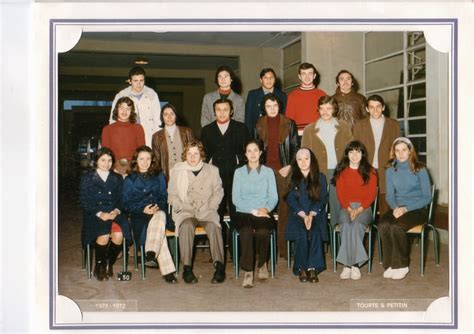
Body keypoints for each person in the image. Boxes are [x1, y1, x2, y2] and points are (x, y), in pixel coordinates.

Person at [168, 140, 226, 284]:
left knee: (214, 226)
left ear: (201, 154)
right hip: (186, 209)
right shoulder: (177, 170)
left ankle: (219, 267)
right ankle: (187, 268)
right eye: (189, 153)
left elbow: (218, 192)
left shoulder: (213, 170)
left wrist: (211, 206)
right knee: (186, 226)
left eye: (196, 153)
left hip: (206, 209)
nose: (192, 157)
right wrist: (179, 204)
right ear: (185, 155)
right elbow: (172, 194)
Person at [377, 137, 432, 280]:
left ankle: (402, 265)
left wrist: (406, 209)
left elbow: (427, 197)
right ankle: (390, 264)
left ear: (410, 151)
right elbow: (389, 196)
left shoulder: (420, 168)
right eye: (397, 150)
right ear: (393, 152)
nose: (400, 153)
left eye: (404, 150)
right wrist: (396, 208)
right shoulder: (390, 169)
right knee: (383, 225)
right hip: (398, 207)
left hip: (417, 208)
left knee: (397, 226)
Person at [201, 98, 249, 257]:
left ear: (231, 111)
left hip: (236, 177)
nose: (222, 113)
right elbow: (203, 155)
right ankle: (218, 253)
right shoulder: (207, 130)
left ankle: (237, 252)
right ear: (214, 112)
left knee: (237, 213)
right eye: (218, 110)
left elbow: (247, 152)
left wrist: (238, 161)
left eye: (225, 109)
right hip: (215, 179)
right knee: (216, 214)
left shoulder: (241, 129)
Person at [122, 146, 177, 283]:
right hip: (139, 215)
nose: (145, 162)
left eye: (148, 158)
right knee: (159, 231)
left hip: (157, 210)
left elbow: (164, 197)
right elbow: (126, 203)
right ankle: (167, 271)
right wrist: (143, 209)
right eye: (141, 158)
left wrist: (156, 206)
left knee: (160, 216)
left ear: (152, 160)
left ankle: (151, 253)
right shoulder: (130, 179)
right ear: (136, 160)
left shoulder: (159, 176)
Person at [255, 93, 298, 258]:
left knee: (284, 209)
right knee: (264, 208)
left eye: (275, 106)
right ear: (264, 109)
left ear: (279, 106)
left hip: (284, 170)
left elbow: (295, 147)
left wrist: (289, 166)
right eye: (268, 106)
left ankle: (283, 249)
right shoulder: (259, 124)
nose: (272, 109)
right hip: (265, 170)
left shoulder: (289, 123)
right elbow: (256, 147)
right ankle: (264, 250)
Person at [232, 139, 278, 288]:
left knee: (263, 232)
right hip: (244, 212)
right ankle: (248, 270)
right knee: (245, 232)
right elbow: (236, 199)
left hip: (263, 210)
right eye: (249, 151)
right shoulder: (238, 172)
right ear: (245, 154)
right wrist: (254, 210)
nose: (252, 154)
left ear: (260, 153)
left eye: (255, 150)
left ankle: (262, 263)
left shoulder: (268, 172)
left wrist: (266, 209)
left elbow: (273, 197)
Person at [79, 147, 131, 281]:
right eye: (102, 160)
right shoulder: (88, 178)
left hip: (114, 213)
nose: (106, 163)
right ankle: (99, 265)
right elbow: (84, 201)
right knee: (103, 235)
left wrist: (116, 211)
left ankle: (108, 262)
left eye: (109, 160)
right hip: (95, 214)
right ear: (96, 161)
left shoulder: (117, 178)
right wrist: (100, 213)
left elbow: (122, 199)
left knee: (119, 236)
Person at [301, 96, 352, 228]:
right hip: (318, 173)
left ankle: (339, 240)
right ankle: (322, 242)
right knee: (318, 207)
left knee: (338, 206)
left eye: (329, 108)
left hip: (339, 172)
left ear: (334, 109)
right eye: (322, 108)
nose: (325, 112)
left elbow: (351, 151)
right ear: (317, 109)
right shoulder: (310, 129)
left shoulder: (344, 127)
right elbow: (304, 153)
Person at [332, 141, 378, 280]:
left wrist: (358, 210)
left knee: (357, 225)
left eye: (358, 151)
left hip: (364, 207)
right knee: (345, 225)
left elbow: (371, 195)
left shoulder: (371, 171)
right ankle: (347, 265)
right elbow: (340, 194)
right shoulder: (341, 171)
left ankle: (355, 265)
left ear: (362, 154)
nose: (354, 155)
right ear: (347, 154)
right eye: (351, 152)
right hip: (346, 206)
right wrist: (348, 208)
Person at [285, 148, 328, 283]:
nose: (303, 162)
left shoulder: (320, 177)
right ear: (295, 162)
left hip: (316, 214)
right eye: (299, 159)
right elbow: (291, 199)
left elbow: (322, 199)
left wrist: (311, 214)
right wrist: (304, 215)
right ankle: (301, 268)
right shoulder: (292, 177)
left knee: (315, 231)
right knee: (302, 232)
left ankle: (313, 268)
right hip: (298, 215)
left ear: (312, 160)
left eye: (306, 159)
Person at [353, 94, 400, 214]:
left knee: (385, 207)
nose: (375, 110)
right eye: (372, 107)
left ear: (383, 107)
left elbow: (398, 148)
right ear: (367, 109)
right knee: (365, 207)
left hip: (386, 169)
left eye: (378, 106)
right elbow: (356, 149)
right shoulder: (359, 125)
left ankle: (383, 232)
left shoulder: (394, 124)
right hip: (366, 168)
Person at [109, 66, 161, 146]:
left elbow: (158, 120)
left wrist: (158, 141)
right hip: (126, 138)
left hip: (149, 138)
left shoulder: (152, 95)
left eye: (141, 80)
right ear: (130, 81)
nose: (139, 84)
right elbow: (113, 120)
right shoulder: (121, 95)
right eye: (135, 81)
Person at [102, 96, 145, 176]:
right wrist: (116, 169)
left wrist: (130, 170)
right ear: (116, 109)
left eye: (128, 109)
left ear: (131, 111)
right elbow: (106, 155)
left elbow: (142, 153)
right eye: (122, 108)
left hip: (133, 172)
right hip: (114, 172)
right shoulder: (107, 129)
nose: (124, 111)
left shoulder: (138, 128)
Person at [151, 103, 194, 181]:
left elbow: (194, 153)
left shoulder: (187, 132)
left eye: (172, 114)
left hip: (186, 172)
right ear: (162, 117)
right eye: (166, 114)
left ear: (176, 116)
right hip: (167, 175)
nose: (169, 117)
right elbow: (156, 160)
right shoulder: (156, 136)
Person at [285, 62, 327, 134]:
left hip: (318, 134)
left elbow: (327, 117)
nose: (307, 77)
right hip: (299, 136)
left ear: (314, 76)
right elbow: (289, 121)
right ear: (299, 76)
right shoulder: (292, 96)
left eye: (310, 73)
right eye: (304, 74)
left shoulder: (322, 94)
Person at [245, 68, 287, 134]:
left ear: (275, 79)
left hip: (276, 132)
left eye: (271, 78)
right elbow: (248, 119)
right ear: (261, 80)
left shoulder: (282, 95)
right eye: (265, 78)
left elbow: (284, 116)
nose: (269, 80)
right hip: (258, 133)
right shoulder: (253, 95)